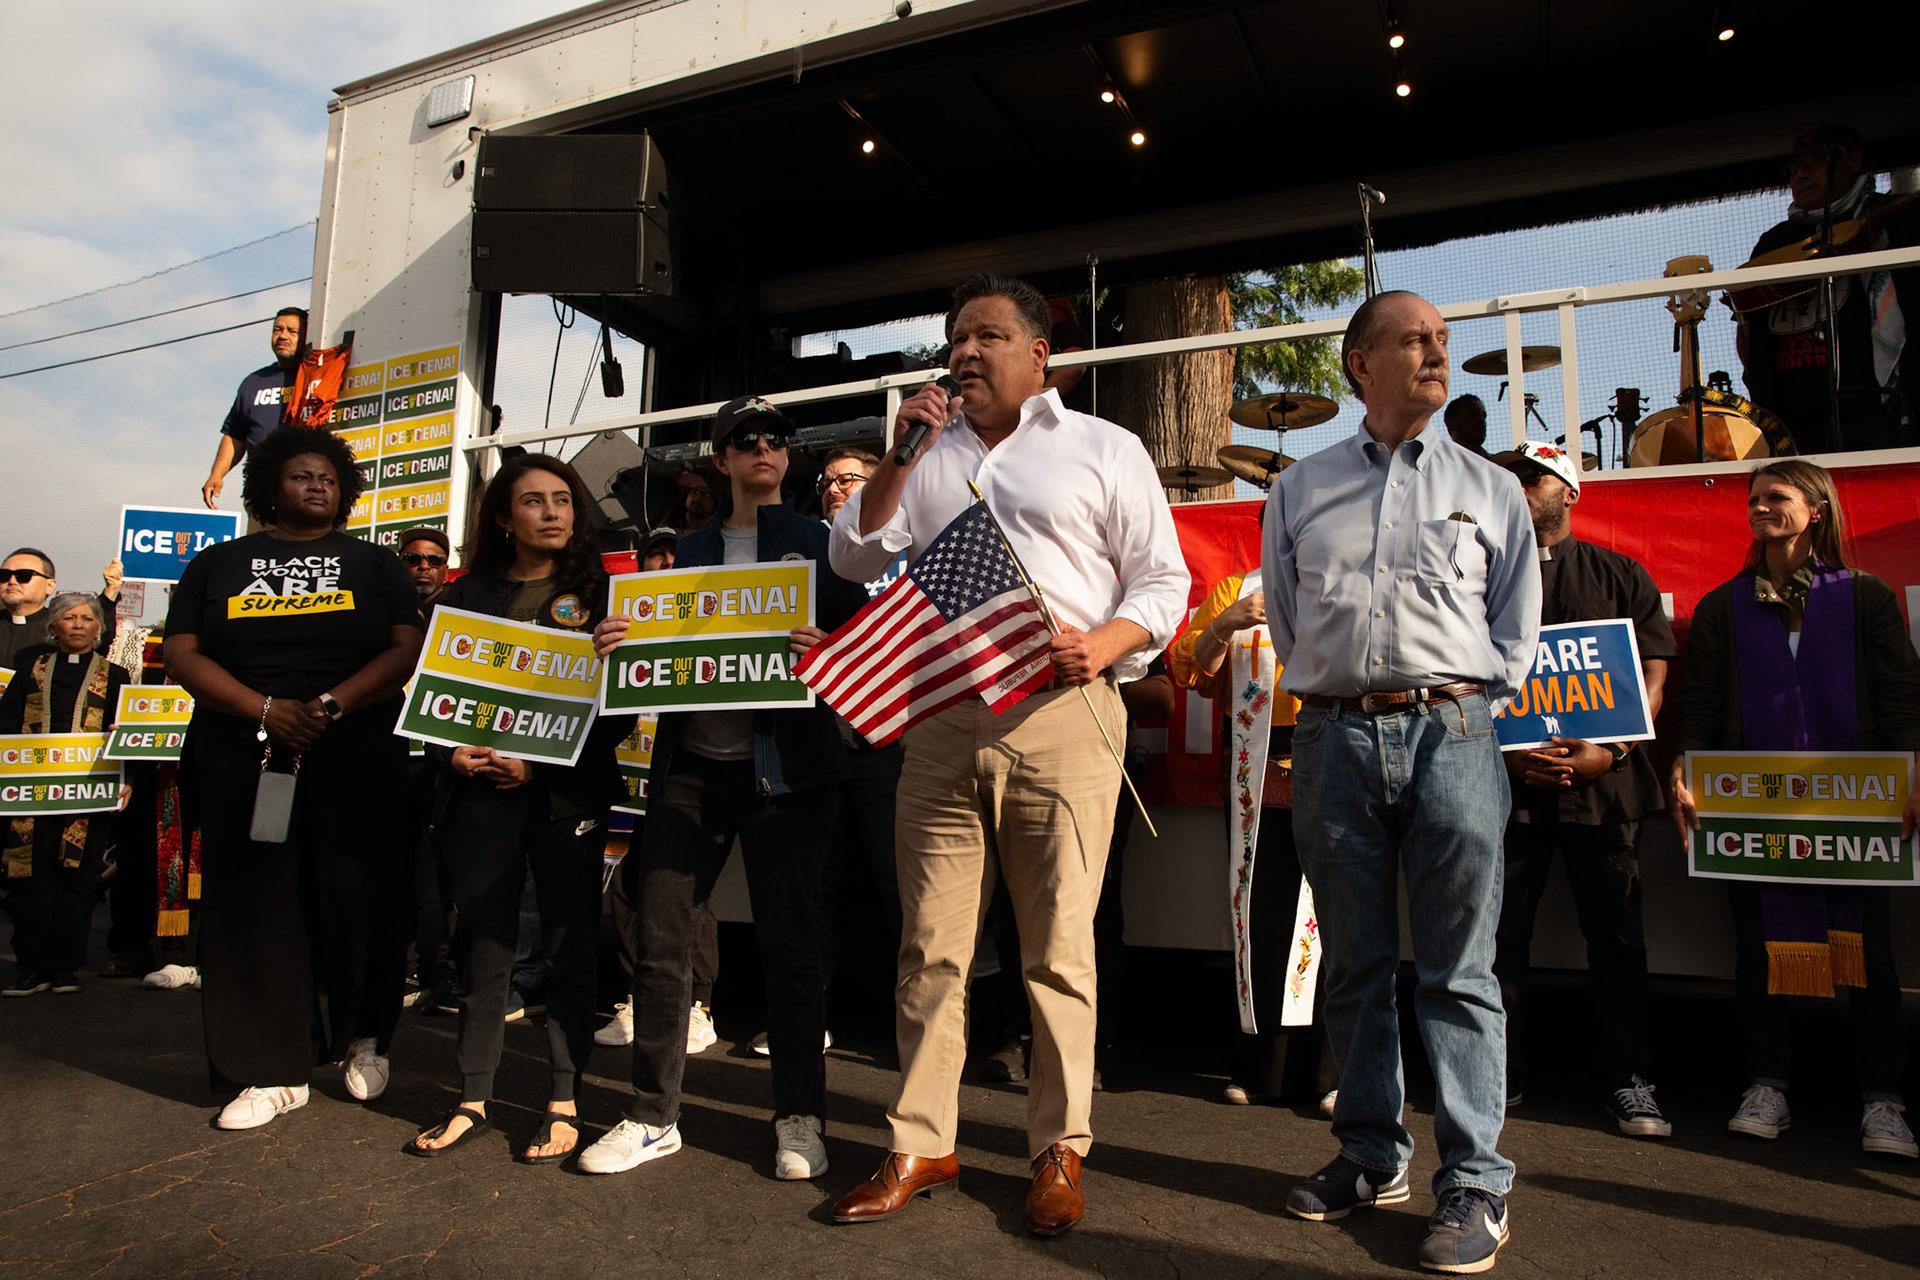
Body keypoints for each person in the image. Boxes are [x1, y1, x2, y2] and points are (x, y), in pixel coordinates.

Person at [826, 273, 1188, 1236]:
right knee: (931, 948)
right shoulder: (926, 454)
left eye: (988, 335)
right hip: (941, 719)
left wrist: (1107, 644)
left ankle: (1057, 1149)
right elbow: (854, 559)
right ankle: (920, 1142)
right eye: (956, 338)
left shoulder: (1105, 448)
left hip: (1066, 714)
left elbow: (1163, 581)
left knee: (1059, 949)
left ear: (1040, 354)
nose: (966, 352)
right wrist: (900, 460)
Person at [1264, 290, 1540, 1274]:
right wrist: (1345, 700)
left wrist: (1452, 701)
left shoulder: (1492, 488)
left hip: (1455, 734)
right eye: (1415, 339)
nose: (1438, 352)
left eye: (1443, 340)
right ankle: (1371, 1154)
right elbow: (1291, 625)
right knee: (1355, 964)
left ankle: (1475, 1180)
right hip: (1335, 738)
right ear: (1360, 363)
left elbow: (1515, 629)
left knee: (1462, 968)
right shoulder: (1297, 490)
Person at [578, 395, 869, 1181]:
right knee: (663, 946)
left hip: (791, 777)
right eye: (745, 439)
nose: (763, 448)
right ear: (721, 458)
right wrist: (618, 642)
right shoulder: (680, 553)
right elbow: (647, 652)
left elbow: (871, 644)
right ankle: (651, 1115)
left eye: (777, 438)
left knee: (792, 949)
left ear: (788, 454)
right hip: (689, 775)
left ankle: (800, 1115)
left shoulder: (823, 545)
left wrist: (830, 648)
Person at [164, 425, 423, 1130]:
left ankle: (366, 1036)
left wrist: (332, 704)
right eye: (302, 475)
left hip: (356, 747)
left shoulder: (375, 564)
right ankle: (271, 1070)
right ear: (270, 485)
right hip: (241, 749)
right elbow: (182, 654)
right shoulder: (217, 565)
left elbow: (405, 648)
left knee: (361, 896)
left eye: (329, 478)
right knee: (257, 907)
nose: (317, 486)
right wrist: (264, 709)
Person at [1671, 459, 1919, 1160]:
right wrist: (1686, 764)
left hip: (1855, 806)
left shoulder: (1864, 597)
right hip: (1751, 803)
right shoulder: (1725, 606)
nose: (1758, 508)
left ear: (1816, 510)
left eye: (1775, 498)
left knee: (1870, 951)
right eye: (1753, 499)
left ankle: (1883, 1100)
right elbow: (1703, 706)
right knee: (1758, 948)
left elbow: (1901, 694)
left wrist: (1915, 770)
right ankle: (1767, 1085)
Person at [406, 455, 632, 1165]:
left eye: (563, 499)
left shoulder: (604, 596)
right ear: (504, 517)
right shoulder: (460, 596)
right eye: (534, 501)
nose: (554, 512)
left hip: (565, 796)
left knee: (569, 943)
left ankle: (564, 1099)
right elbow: (428, 705)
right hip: (479, 797)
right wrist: (452, 756)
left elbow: (619, 711)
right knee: (486, 943)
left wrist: (541, 759)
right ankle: (472, 1096)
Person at [1489, 442, 1676, 1139]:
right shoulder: (1482, 581)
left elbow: (1654, 680)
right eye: (1509, 479)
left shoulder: (1621, 574)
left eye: (1530, 478)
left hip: (1607, 791)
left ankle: (1628, 1078)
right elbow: (1463, 682)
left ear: (1569, 492)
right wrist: (1507, 757)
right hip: (1508, 791)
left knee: (1618, 937)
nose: (1518, 488)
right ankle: (1498, 1075)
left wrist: (1612, 749)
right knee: (1500, 939)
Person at [1168, 553, 1338, 1114]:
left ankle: (1333, 1070)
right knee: (1260, 912)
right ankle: (1263, 1063)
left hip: (1337, 756)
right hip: (1256, 758)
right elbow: (1189, 673)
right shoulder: (1239, 588)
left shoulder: (1354, 578)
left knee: (1336, 915)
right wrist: (1226, 622)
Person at [595, 525, 724, 1059]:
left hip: (684, 773)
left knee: (690, 891)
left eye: (672, 557)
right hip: (628, 775)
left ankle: (698, 1005)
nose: (662, 564)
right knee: (627, 883)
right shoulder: (622, 621)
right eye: (653, 556)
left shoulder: (707, 611)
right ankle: (637, 999)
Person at [1737, 125, 1918, 454]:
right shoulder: (1775, 242)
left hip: (1882, 411)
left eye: (1813, 163)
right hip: (1798, 422)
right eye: (1793, 169)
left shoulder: (1900, 219)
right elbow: (1752, 334)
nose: (1800, 176)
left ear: (1853, 161)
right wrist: (1768, 414)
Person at [0, 595, 134, 997]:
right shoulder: (29, 671)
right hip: (33, 793)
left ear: (98, 628)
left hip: (88, 793)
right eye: (69, 618)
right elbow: (5, 726)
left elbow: (126, 730)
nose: (78, 624)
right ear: (53, 626)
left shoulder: (116, 676)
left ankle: (64, 968)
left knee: (77, 878)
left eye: (87, 618)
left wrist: (128, 777)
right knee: (30, 877)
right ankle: (30, 968)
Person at [394, 527, 458, 1015]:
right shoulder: (380, 611)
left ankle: (436, 973)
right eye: (414, 558)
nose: (423, 567)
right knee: (394, 871)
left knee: (441, 878)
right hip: (389, 757)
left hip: (443, 761)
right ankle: (401, 966)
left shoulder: (462, 613)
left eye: (434, 560)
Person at [201, 308, 307, 509]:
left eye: (292, 331)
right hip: (262, 492)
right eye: (277, 330)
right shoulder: (253, 382)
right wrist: (217, 474)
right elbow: (234, 435)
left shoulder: (314, 378)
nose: (282, 336)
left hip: (302, 491)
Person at [2, 549, 122, 669]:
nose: (12, 581)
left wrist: (111, 592)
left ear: (50, 585)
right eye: (4, 575)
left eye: (24, 575)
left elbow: (99, 642)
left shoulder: (62, 626)